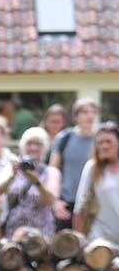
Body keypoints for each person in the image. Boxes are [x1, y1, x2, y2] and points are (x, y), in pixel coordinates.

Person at [0, 127, 61, 239]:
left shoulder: (51, 172)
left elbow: (52, 200)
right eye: (29, 143)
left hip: (41, 236)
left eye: (38, 144)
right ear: (22, 146)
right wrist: (12, 176)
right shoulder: (12, 168)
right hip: (14, 233)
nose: (33, 148)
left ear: (45, 148)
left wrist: (36, 181)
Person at [50, 98, 98, 231]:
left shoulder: (101, 140)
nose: (90, 116)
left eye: (93, 112)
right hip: (67, 201)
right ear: (76, 116)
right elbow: (53, 171)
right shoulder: (64, 138)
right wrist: (55, 201)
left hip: (93, 203)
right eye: (85, 112)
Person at [73, 122, 119, 244]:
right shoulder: (92, 167)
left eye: (108, 141)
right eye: (100, 142)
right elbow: (80, 207)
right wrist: (78, 241)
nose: (104, 146)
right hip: (100, 241)